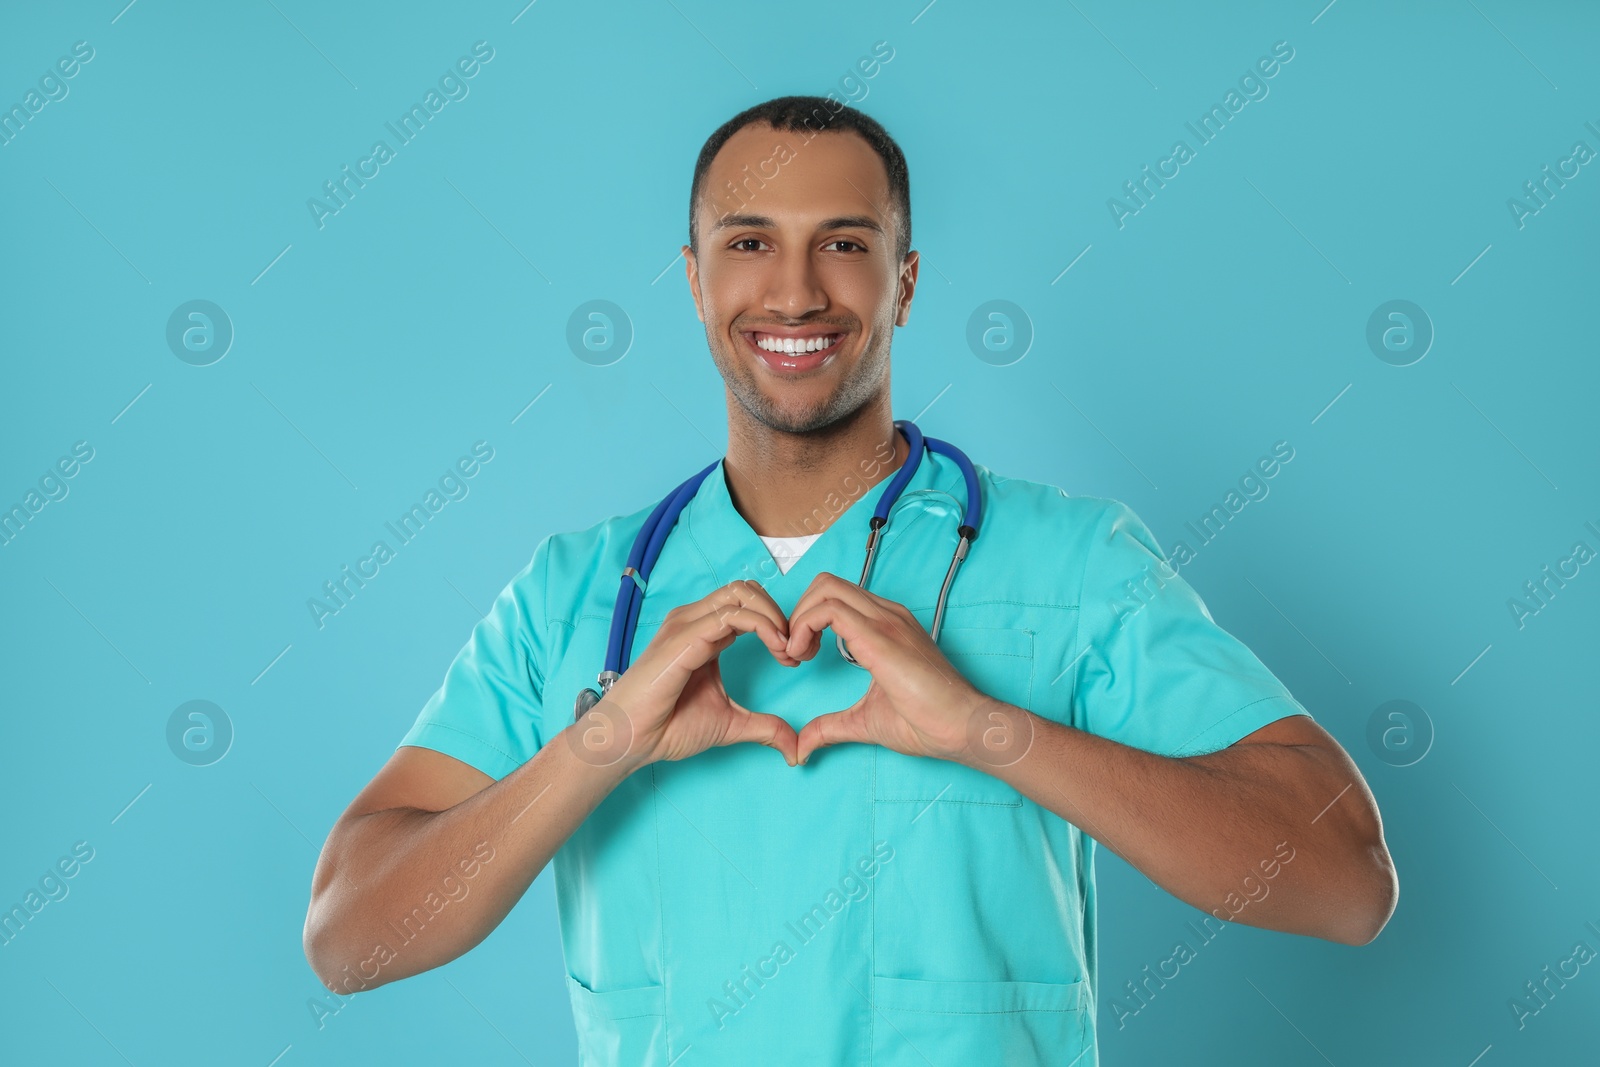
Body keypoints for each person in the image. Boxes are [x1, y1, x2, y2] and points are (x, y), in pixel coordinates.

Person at [303, 95, 1397, 1066]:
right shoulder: (575, 593)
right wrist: (603, 741)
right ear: (692, 278)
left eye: (842, 241)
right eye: (748, 242)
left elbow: (1346, 883)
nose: (793, 290)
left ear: (902, 280)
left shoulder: (1071, 562)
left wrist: (987, 730)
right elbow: (352, 936)